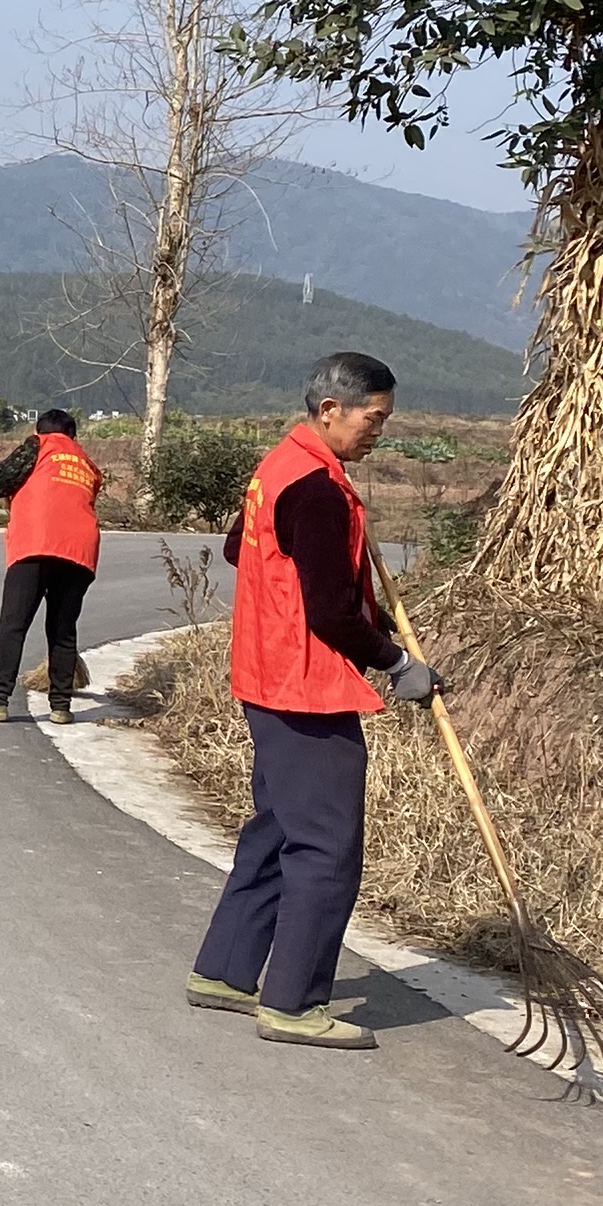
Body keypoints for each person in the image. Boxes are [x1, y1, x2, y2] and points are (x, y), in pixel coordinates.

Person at [188, 352, 443, 1048]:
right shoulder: (320, 490)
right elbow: (329, 611)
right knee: (326, 846)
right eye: (373, 419)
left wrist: (363, 612)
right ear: (331, 410)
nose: (378, 434)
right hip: (303, 688)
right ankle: (294, 1003)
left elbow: (244, 549)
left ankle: (227, 971)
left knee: (277, 829)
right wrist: (395, 662)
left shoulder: (280, 468)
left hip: (263, 678)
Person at [0, 408, 105, 723]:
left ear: (41, 431)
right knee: (63, 629)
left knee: (14, 624)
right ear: (73, 435)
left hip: (37, 544)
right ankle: (61, 707)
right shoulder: (87, 464)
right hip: (80, 550)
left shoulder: (38, 445)